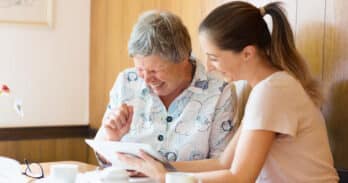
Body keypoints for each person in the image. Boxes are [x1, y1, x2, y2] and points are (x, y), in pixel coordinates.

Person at [117, 1, 339, 182]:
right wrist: (157, 167)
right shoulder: (268, 88)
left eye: (214, 57)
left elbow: (240, 177)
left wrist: (165, 177)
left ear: (247, 54)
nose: (209, 67)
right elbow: (224, 162)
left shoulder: (272, 91)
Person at [94, 10, 237, 167]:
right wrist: (111, 139)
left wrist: (165, 171)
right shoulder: (126, 82)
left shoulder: (219, 93)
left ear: (183, 58)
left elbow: (222, 165)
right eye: (140, 69)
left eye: (154, 71)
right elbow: (103, 157)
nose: (146, 79)